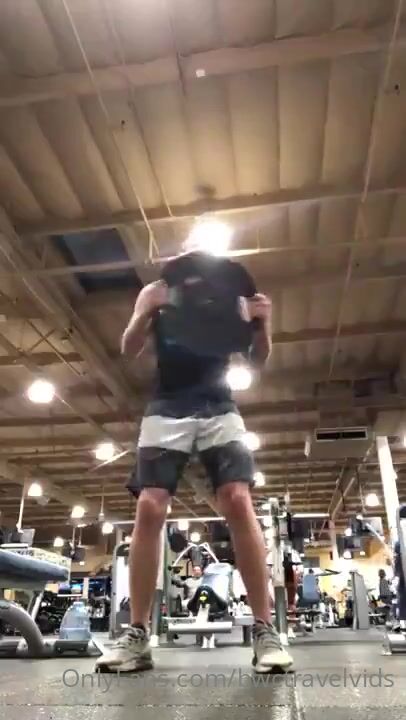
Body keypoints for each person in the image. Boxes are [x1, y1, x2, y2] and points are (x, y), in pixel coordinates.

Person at [96, 244, 293, 674]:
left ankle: (265, 631)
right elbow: (129, 347)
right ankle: (137, 634)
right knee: (150, 506)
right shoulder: (158, 291)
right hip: (167, 405)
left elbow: (258, 358)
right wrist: (143, 311)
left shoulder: (233, 299)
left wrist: (264, 324)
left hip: (219, 405)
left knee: (238, 499)